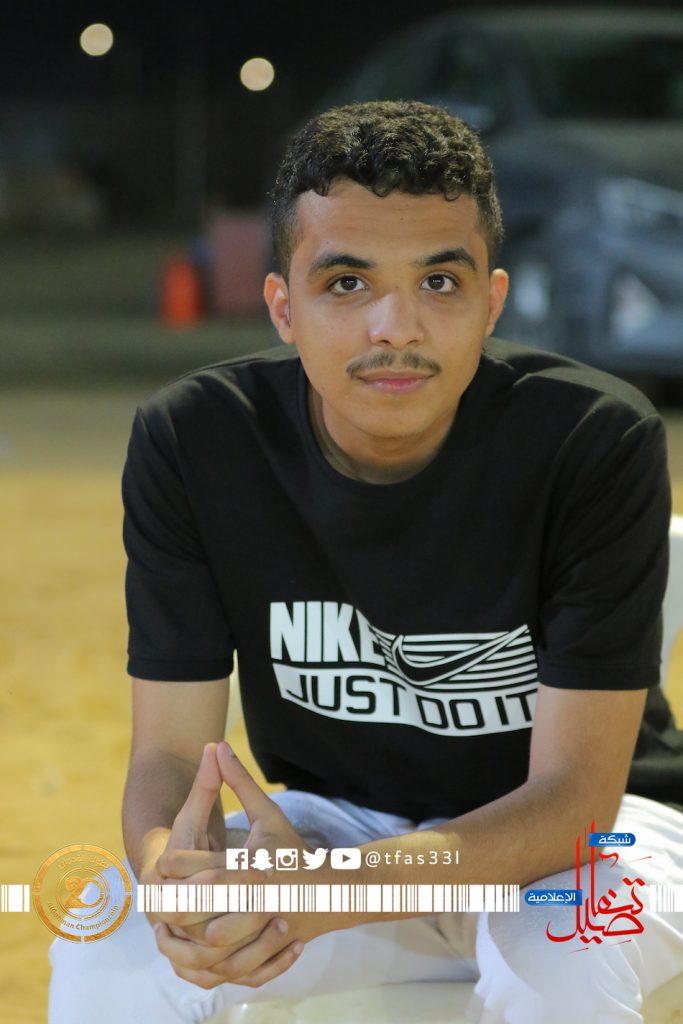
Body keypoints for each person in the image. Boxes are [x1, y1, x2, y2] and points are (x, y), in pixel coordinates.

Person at [49, 100, 683, 1023]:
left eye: (439, 282)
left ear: (492, 301)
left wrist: (339, 886)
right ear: (283, 307)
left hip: (587, 848)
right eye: (346, 283)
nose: (396, 327)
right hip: (338, 826)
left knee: (562, 962)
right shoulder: (198, 441)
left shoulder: (591, 439)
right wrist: (174, 880)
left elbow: (571, 802)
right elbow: (171, 752)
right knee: (108, 947)